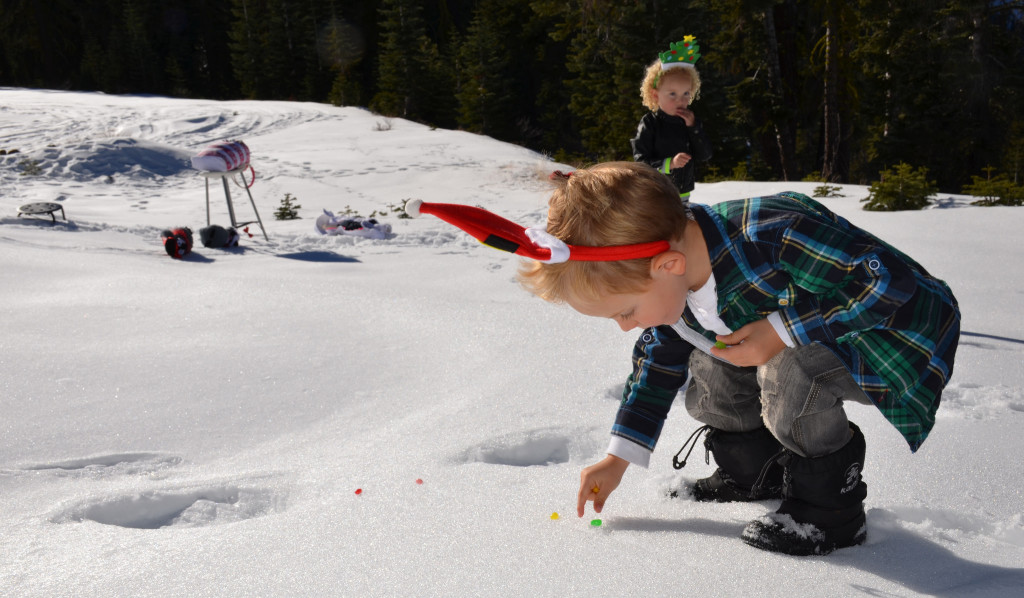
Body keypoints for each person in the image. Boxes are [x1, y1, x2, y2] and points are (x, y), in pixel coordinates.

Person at [516, 162, 961, 556]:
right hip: (820, 331)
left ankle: (832, 513)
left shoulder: (773, 234)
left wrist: (781, 331)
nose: (625, 326)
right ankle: (753, 473)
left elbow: (889, 284)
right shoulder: (679, 275)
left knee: (791, 370)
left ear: (667, 265)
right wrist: (617, 458)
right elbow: (656, 366)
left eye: (625, 311)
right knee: (710, 361)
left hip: (892, 337)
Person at [631, 37, 713, 200]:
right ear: (655, 95)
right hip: (657, 193)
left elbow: (705, 155)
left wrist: (693, 128)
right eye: (672, 94)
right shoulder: (650, 123)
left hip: (683, 193)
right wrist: (669, 164)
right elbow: (640, 163)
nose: (680, 100)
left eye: (686, 94)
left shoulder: (689, 123)